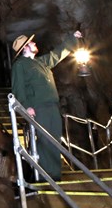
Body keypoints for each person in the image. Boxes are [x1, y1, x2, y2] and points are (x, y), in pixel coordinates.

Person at [10, 30, 83, 181]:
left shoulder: (41, 62)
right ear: (25, 47)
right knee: (44, 139)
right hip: (38, 107)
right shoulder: (20, 65)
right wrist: (25, 106)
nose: (35, 43)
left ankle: (55, 175)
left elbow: (56, 54)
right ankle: (44, 176)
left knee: (55, 138)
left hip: (52, 105)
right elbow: (18, 88)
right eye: (31, 42)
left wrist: (72, 38)